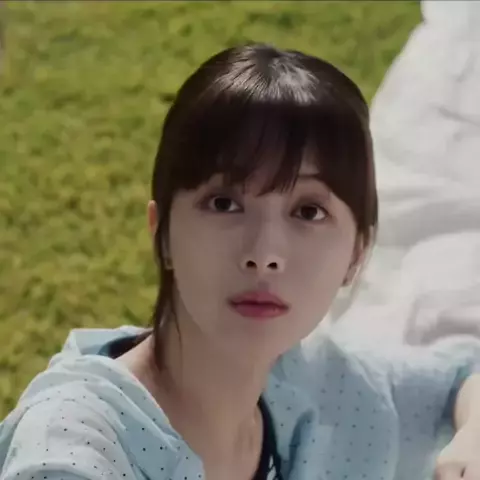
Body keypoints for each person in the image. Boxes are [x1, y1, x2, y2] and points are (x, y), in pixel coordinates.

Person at [1, 43, 480, 480]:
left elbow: (461, 374)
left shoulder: (316, 383)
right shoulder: (71, 451)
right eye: (224, 203)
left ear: (358, 252)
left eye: (308, 212)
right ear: (162, 232)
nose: (264, 255)